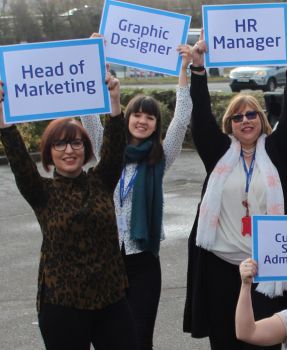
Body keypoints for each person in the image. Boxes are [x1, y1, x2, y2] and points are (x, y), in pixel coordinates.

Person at [0, 70, 137, 349]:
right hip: (63, 305)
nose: (69, 150)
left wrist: (115, 102)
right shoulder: (41, 192)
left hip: (111, 300)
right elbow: (19, 159)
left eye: (76, 142)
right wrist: (1, 117)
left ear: (85, 148)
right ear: (49, 152)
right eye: (60, 143)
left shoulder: (101, 181)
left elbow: (116, 147)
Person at [182, 32, 287, 349]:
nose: (245, 120)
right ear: (229, 124)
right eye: (237, 116)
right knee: (225, 342)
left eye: (252, 114)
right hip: (221, 268)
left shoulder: (276, 151)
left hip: (267, 268)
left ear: (262, 119)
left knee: (266, 343)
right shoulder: (218, 152)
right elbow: (201, 120)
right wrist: (198, 72)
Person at [80, 40, 193, 349]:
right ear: (127, 117)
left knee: (140, 338)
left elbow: (182, 118)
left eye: (150, 117)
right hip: (104, 259)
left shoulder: (160, 156)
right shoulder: (108, 150)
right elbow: (90, 116)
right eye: (137, 115)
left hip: (142, 261)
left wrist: (184, 70)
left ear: (155, 124)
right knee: (107, 339)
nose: (142, 121)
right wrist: (94, 63)